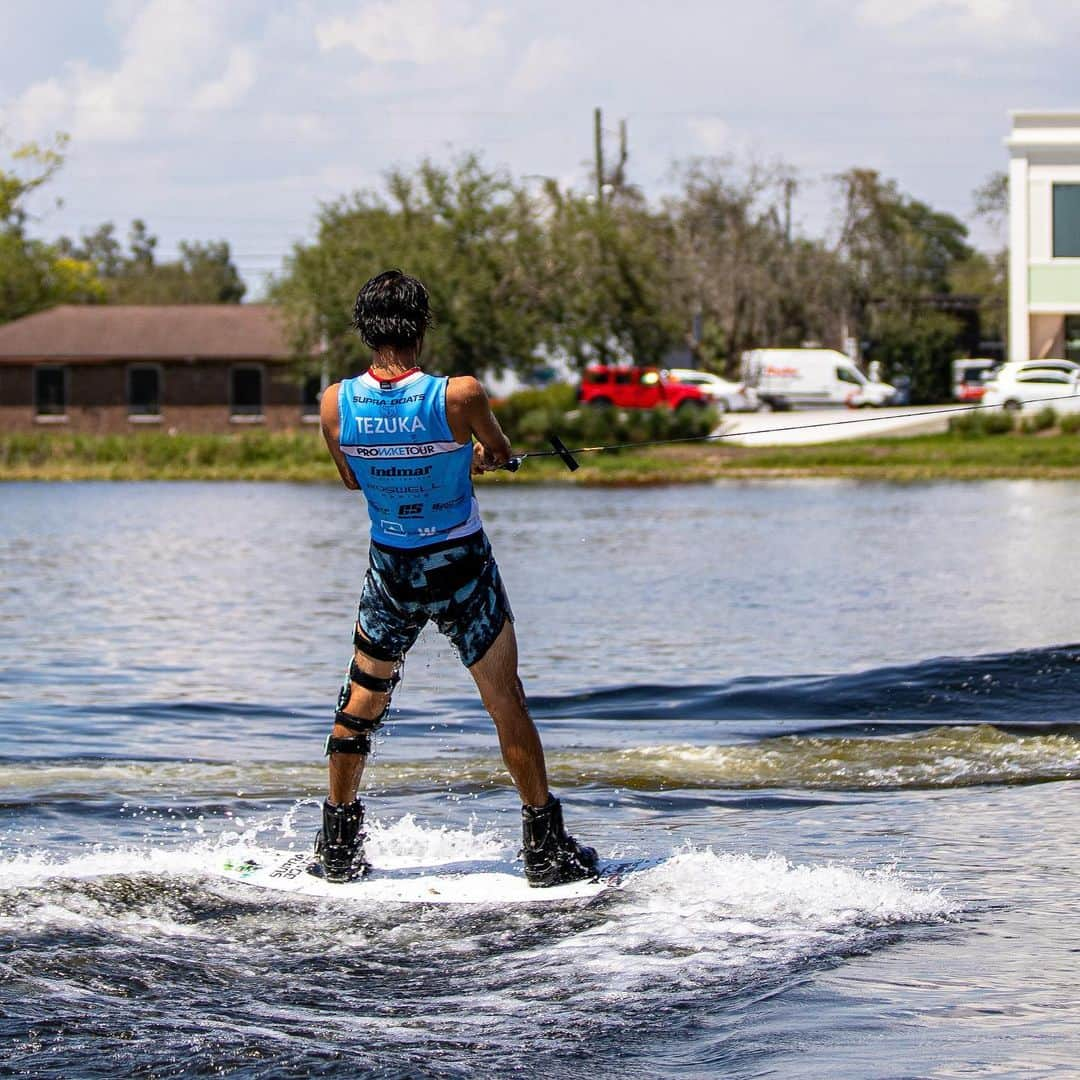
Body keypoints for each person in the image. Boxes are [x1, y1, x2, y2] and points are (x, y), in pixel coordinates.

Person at [315, 269, 599, 887]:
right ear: (420, 328)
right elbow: (495, 453)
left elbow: (352, 478)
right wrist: (474, 459)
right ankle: (544, 849)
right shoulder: (459, 394)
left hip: (391, 567)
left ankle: (337, 845)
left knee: (361, 703)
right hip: (462, 564)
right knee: (505, 702)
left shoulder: (335, 402)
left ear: (366, 331)